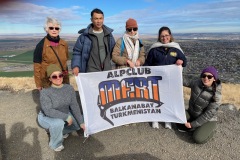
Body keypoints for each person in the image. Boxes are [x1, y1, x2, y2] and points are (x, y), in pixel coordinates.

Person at [144, 26, 187, 129]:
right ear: (159, 37)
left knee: (168, 100)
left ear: (170, 36)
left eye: (166, 35)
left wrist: (182, 61)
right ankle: (155, 119)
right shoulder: (154, 50)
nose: (164, 38)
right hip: (156, 80)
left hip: (170, 81)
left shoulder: (176, 48)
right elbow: (147, 64)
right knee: (156, 99)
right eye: (162, 36)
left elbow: (184, 61)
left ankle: (168, 120)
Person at [37, 64, 85, 151]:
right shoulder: (45, 92)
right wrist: (66, 117)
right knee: (58, 123)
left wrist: (81, 122)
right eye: (54, 76)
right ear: (49, 79)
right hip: (46, 117)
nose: (58, 78)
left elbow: (74, 106)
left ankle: (57, 131)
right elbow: (48, 111)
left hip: (64, 113)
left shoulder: (69, 88)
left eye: (60, 75)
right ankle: (55, 144)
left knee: (78, 125)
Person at [177, 66, 222, 144]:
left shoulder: (216, 96)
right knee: (176, 115)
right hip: (192, 114)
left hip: (207, 120)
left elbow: (208, 115)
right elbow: (183, 81)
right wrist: (175, 70)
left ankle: (209, 129)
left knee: (198, 138)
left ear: (214, 79)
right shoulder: (196, 83)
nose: (206, 78)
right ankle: (193, 127)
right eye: (204, 76)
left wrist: (192, 124)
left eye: (209, 76)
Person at [71, 8, 115, 75]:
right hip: (91, 71)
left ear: (103, 19)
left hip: (106, 70)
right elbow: (77, 52)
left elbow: (114, 51)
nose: (99, 21)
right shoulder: (84, 36)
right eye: (96, 18)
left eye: (100, 18)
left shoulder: (109, 35)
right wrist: (76, 66)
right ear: (91, 20)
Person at [33, 17, 69, 90]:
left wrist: (67, 79)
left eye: (57, 28)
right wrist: (38, 84)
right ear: (47, 29)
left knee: (64, 99)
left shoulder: (64, 44)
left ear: (59, 30)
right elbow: (37, 66)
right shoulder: (41, 45)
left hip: (62, 78)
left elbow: (65, 61)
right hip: (48, 81)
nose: (54, 30)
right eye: (51, 28)